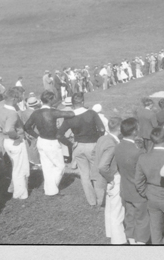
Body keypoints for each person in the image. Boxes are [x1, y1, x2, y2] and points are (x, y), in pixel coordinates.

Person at [105, 117, 150, 244]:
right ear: (135, 131)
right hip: (139, 192)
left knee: (130, 218)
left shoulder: (118, 146)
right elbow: (143, 174)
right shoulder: (138, 152)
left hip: (125, 189)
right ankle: (140, 243)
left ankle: (131, 240)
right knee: (142, 219)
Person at [22, 90, 73, 196]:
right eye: (53, 98)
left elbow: (26, 127)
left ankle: (49, 189)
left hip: (41, 141)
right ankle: (52, 189)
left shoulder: (36, 113)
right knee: (60, 166)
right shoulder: (53, 112)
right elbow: (70, 114)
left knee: (47, 167)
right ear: (50, 99)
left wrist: (37, 136)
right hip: (51, 142)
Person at [60, 93, 106, 206]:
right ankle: (101, 200)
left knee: (84, 175)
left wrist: (70, 145)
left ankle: (92, 201)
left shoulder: (69, 117)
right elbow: (101, 128)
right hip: (92, 144)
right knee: (97, 173)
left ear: (72, 104)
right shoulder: (91, 113)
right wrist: (99, 140)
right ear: (83, 102)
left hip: (78, 146)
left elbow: (59, 134)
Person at [0, 87, 30, 201]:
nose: (19, 100)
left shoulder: (1, 108)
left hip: (6, 141)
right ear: (14, 98)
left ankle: (17, 191)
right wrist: (17, 137)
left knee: (17, 168)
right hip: (14, 141)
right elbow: (9, 129)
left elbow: (2, 127)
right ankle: (20, 194)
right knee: (20, 169)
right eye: (18, 98)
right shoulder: (12, 113)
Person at [95, 115, 126, 244]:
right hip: (113, 177)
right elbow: (103, 166)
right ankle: (118, 240)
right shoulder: (114, 144)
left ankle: (110, 233)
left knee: (109, 207)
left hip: (102, 179)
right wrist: (111, 178)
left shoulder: (102, 138)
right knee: (117, 210)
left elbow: (94, 155)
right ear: (119, 128)